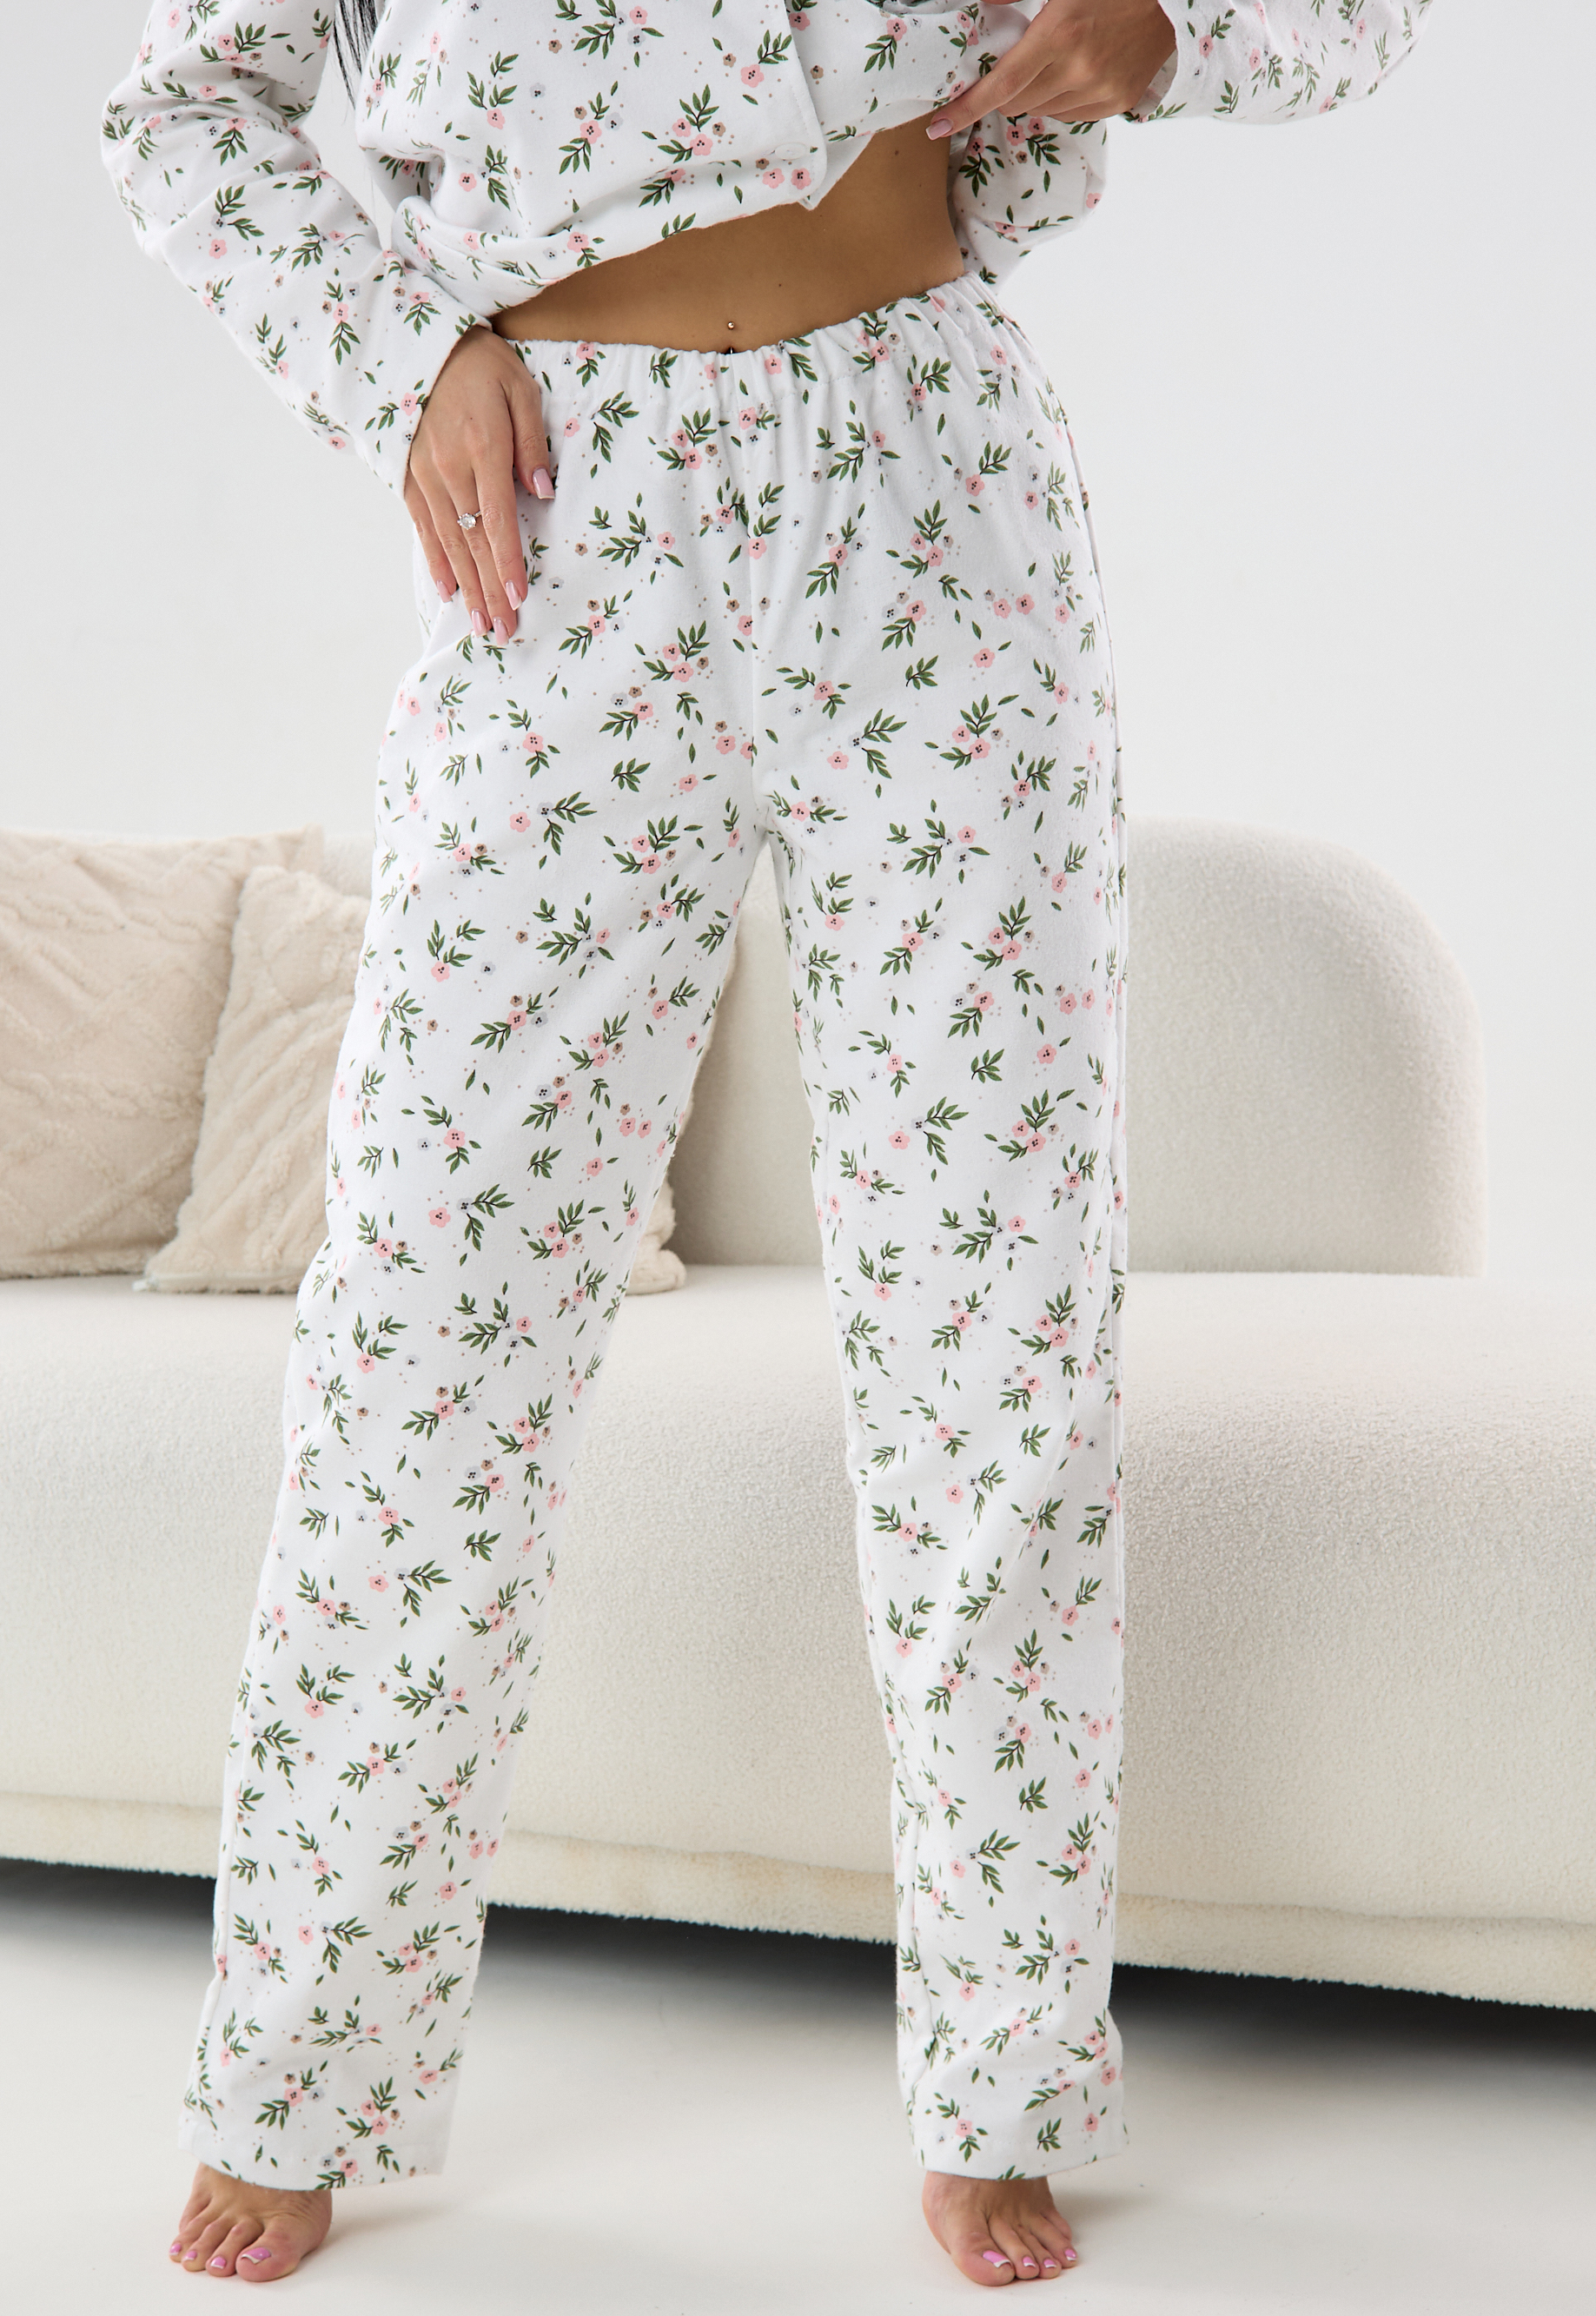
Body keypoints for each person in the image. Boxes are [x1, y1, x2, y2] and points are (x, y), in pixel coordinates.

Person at [103, 0, 1429, 2286]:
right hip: (560, 517)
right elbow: (179, 108)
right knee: (426, 1336)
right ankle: (299, 2066)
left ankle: (1004, 2074)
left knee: (997, 1344)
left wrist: (1160, 35)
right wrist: (402, 365)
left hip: (933, 490)